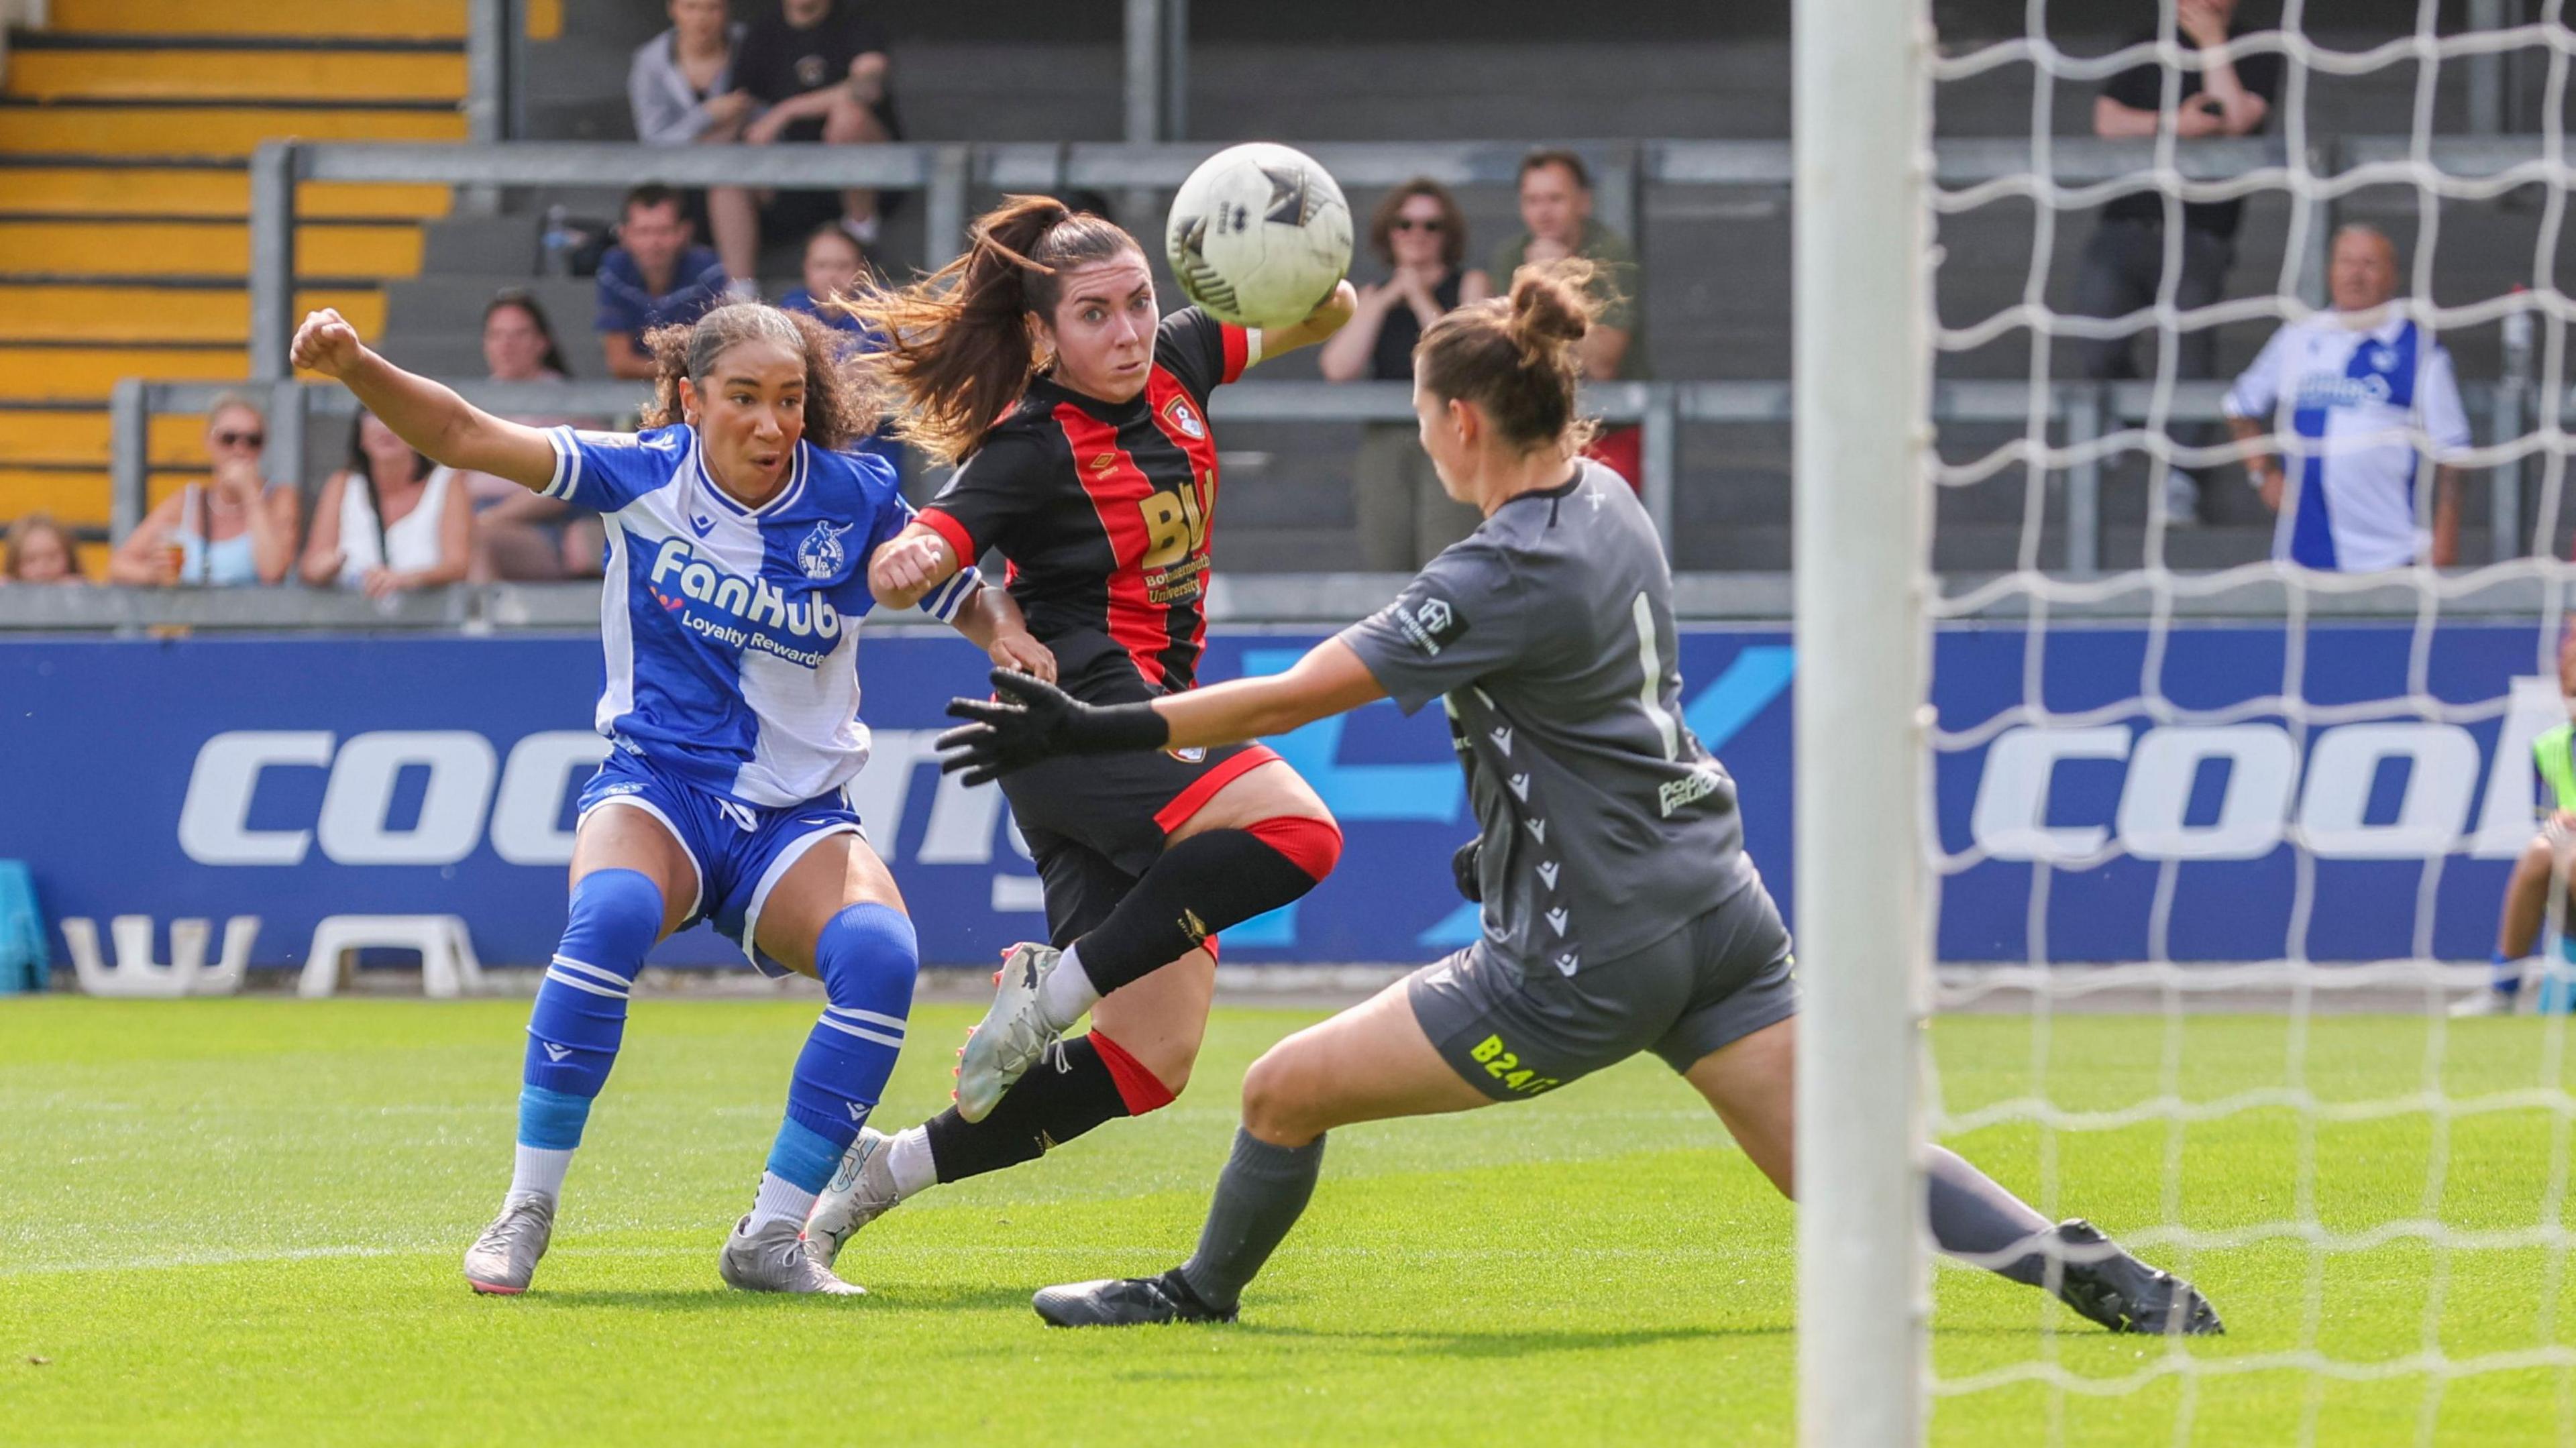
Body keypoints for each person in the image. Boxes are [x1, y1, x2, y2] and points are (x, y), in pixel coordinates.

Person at [937, 262, 2224, 1338]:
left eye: (1428, 412)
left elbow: (1290, 699)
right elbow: (1577, 723)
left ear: (1460, 426)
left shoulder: (1494, 570)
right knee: (1842, 1169)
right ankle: (2085, 1266)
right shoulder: (1611, 500)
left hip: (1582, 957)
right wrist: (1504, 837)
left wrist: (1099, 720)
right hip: (1716, 905)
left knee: (1279, 1088)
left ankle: (1196, 1293)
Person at [288, 297, 1051, 1296]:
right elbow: (463, 435)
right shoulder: (637, 471)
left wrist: (1005, 638)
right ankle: (526, 1208)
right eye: (743, 398)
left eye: (788, 400)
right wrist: (356, 367)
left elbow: (956, 583)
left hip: (798, 813)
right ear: (692, 400)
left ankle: (774, 1234)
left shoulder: (856, 495)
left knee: (880, 956)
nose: (771, 424)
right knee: (609, 914)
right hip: (658, 785)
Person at [797, 197, 1357, 1270]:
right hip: (1078, 722)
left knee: (1151, 1060)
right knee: (1302, 834)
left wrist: (1301, 269)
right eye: (1096, 314)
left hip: (1135, 721)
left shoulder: (1185, 358)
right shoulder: (1032, 442)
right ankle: (1049, 992)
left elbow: (1326, 313)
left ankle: (881, 1170)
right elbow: (923, 545)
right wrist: (910, 561)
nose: (1132, 330)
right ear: (1046, 335)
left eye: (1141, 301)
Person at [2080, 0, 2284, 526]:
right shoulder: (2144, 39)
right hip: (2127, 226)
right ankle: (2119, 421)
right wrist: (2174, 124)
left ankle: (2185, 476)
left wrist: (2215, 44)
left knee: (2191, 353)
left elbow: (2238, 119)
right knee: (2098, 331)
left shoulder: (2257, 48)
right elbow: (2107, 120)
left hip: (2201, 235)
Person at [2223, 224, 2469, 571]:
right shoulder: (2298, 337)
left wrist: (2446, 540)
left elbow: (2454, 456)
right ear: (2330, 271)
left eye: (2369, 264)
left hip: (2393, 559)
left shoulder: (2421, 350)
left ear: (2392, 276)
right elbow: (2239, 407)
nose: (2356, 275)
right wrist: (2263, 474)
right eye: (2346, 262)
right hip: (2303, 557)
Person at [1321, 178, 1492, 570]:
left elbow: (1463, 360)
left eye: (1431, 226)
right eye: (1405, 224)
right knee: (1387, 556)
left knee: (1448, 557)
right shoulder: (1373, 294)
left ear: (1448, 235)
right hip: (1388, 439)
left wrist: (1419, 298)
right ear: (1389, 231)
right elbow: (1337, 368)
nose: (1417, 235)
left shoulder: (1470, 284)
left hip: (1454, 432)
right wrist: (1380, 305)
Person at [709, 0, 902, 285]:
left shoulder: (855, 23)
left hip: (862, 180)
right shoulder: (763, 32)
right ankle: (740, 292)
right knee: (728, 171)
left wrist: (786, 110)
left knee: (849, 117)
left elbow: (867, 87)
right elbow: (740, 106)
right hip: (789, 178)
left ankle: (861, 239)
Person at [1488, 150, 1646, 486]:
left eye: (1555, 199)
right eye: (1532, 200)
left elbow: (1603, 364)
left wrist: (1553, 282)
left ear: (1584, 202)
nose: (1543, 212)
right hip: (1535, 431)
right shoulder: (1510, 256)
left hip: (1609, 428)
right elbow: (1511, 352)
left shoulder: (1610, 253)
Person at [2458, 620, 2576, 1016]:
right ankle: (2502, 990)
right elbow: (2548, 819)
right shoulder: (2550, 748)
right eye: (2573, 690)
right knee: (2542, 850)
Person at [464, 291, 606, 582]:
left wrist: (490, 519)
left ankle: (479, 627)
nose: (507, 345)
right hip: (471, 514)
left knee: (473, 535)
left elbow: (567, 483)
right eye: (497, 335)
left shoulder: (569, 402)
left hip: (545, 526)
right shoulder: (472, 401)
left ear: (542, 342)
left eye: (519, 334)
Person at [106, 392, 297, 588]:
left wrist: (251, 494)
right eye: (228, 439)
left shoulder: (279, 498)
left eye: (253, 440)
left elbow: (273, 572)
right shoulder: (188, 501)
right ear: (209, 441)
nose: (240, 450)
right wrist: (153, 575)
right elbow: (119, 566)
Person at [299, 412, 473, 600]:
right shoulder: (342, 484)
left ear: (421, 434)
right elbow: (311, 568)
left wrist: (404, 580)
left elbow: (458, 566)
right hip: (352, 623)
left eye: (396, 414)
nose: (385, 427)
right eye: (373, 415)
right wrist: (333, 566)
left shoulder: (447, 481)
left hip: (428, 624)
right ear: (360, 436)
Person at [776, 224, 900, 475]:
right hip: (809, 451)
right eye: (821, 266)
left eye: (842, 266)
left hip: (874, 452)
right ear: (806, 269)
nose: (831, 275)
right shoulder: (791, 309)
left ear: (861, 270)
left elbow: (888, 369)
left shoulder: (880, 309)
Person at [597, 185, 731, 382]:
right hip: (638, 395)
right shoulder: (614, 268)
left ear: (685, 232)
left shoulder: (708, 270)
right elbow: (619, 363)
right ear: (624, 235)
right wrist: (682, 368)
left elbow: (715, 357)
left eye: (664, 231)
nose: (654, 242)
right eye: (643, 232)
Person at [628, 0, 750, 148]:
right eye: (691, 7)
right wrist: (708, 114)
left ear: (727, 10)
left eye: (713, 8)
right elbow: (653, 138)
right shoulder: (650, 62)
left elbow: (766, 112)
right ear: (672, 9)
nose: (702, 17)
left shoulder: (750, 44)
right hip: (676, 166)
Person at [3, 513, 80, 586]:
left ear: (70, 559)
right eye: (31, 560)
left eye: (52, 558)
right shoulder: (5, 590)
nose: (43, 568)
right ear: (14, 565)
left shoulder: (82, 590)